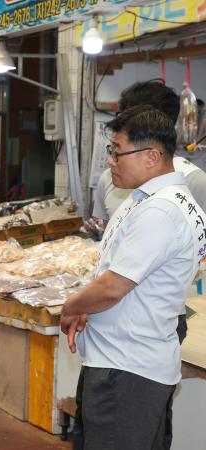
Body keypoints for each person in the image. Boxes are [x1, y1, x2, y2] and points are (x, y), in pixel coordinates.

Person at [62, 105, 204, 450]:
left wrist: (70, 306)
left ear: (152, 156)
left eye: (117, 151)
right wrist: (89, 305)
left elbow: (112, 287)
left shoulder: (160, 210)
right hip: (129, 362)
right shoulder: (156, 200)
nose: (110, 160)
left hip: (125, 371)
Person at [93, 79, 206, 222]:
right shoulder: (110, 177)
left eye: (128, 119)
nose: (119, 125)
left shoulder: (195, 181)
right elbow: (104, 236)